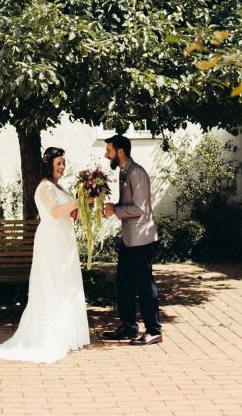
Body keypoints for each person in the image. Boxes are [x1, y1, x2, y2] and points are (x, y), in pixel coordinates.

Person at [0, 146, 90, 363]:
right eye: (59, 163)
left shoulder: (58, 187)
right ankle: (50, 334)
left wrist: (88, 201)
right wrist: (77, 202)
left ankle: (69, 333)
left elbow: (71, 213)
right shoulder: (44, 188)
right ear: (49, 164)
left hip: (63, 239)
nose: (62, 167)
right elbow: (54, 212)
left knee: (66, 284)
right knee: (52, 283)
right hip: (51, 240)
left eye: (64, 163)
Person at [100, 134, 162, 345]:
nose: (106, 154)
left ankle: (154, 330)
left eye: (109, 151)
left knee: (145, 285)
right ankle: (129, 327)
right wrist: (111, 207)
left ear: (120, 152)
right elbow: (128, 204)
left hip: (142, 238)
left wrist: (115, 210)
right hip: (129, 238)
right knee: (123, 283)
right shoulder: (124, 172)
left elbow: (140, 208)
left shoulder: (137, 173)